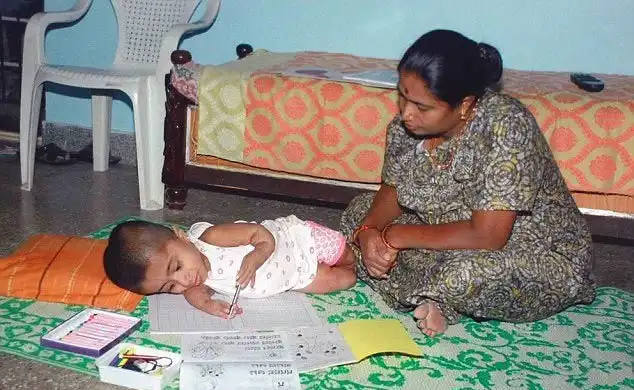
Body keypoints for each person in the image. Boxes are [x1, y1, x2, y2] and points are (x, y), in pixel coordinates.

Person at [340, 29, 595, 337]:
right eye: (402, 96)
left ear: (464, 105)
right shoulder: (405, 129)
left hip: (528, 247)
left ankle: (441, 297)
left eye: (422, 107)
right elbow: (392, 192)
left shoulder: (507, 126)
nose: (406, 114)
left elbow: (488, 235)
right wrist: (369, 232)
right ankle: (429, 293)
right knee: (358, 212)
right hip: (445, 226)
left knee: (461, 276)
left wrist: (395, 236)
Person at [104, 216, 356, 318]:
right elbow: (195, 294)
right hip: (295, 276)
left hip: (296, 242)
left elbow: (260, 234)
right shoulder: (194, 280)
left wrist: (257, 256)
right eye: (170, 287)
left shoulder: (210, 238)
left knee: (346, 254)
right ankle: (359, 270)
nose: (184, 280)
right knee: (346, 280)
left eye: (177, 266)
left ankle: (358, 251)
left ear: (181, 237)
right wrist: (209, 305)